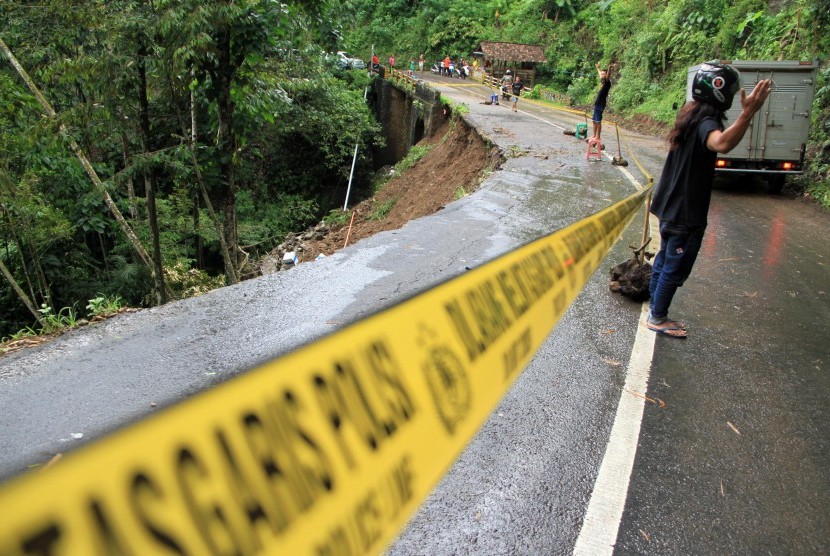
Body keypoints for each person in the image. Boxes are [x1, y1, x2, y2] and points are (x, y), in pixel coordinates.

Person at [647, 62, 771, 339]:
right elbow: (721, 143)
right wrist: (748, 113)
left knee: (664, 257)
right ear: (720, 91)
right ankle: (657, 317)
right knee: (674, 264)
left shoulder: (689, 115)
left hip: (670, 206)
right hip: (684, 211)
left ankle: (654, 308)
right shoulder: (706, 123)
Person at [591, 62, 615, 142]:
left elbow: (608, 75)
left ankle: (598, 137)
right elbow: (600, 74)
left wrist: (609, 67)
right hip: (597, 103)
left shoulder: (607, 82)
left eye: (603, 74)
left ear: (606, 75)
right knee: (594, 120)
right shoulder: (603, 80)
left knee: (598, 121)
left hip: (601, 104)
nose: (602, 75)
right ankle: (594, 135)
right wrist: (598, 68)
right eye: (602, 74)